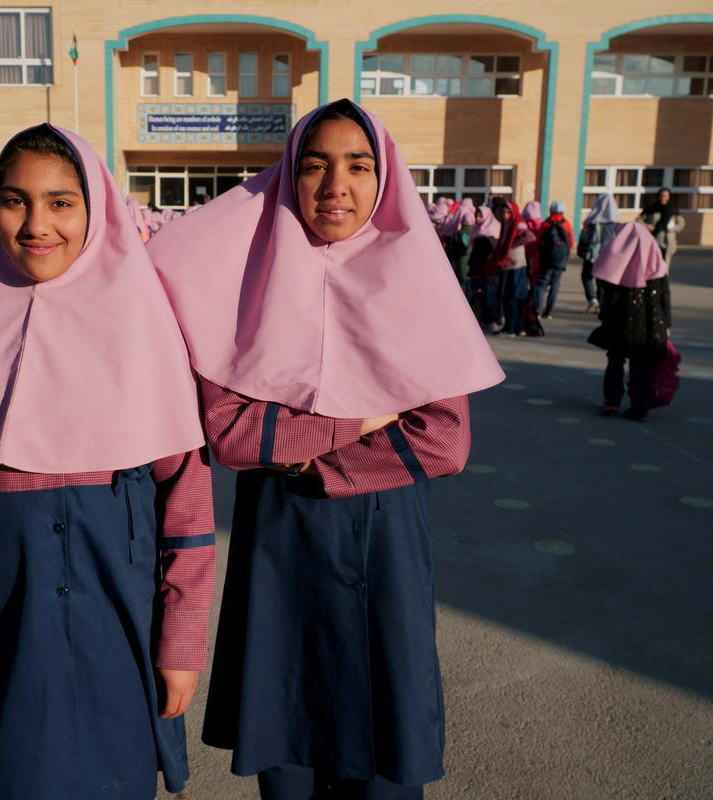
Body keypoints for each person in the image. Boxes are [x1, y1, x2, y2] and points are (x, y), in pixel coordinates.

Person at [148, 99, 505, 800]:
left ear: (385, 179)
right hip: (283, 544)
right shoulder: (244, 284)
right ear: (288, 178)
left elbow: (446, 440)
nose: (334, 184)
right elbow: (232, 434)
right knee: (290, 743)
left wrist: (310, 453)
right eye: (313, 165)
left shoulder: (416, 281)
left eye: (357, 165)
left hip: (387, 549)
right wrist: (372, 416)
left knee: (383, 742)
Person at [0, 123, 214, 799]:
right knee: (11, 772)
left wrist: (181, 646)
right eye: (15, 201)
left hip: (122, 619)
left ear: (95, 210)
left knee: (117, 777)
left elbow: (187, 511)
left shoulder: (145, 325)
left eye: (61, 202)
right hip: (5, 616)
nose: (37, 224)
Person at [587, 222, 672, 422]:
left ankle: (612, 400)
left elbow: (605, 291)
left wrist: (604, 317)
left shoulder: (615, 259)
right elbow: (664, 296)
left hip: (619, 320)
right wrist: (667, 324)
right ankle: (638, 406)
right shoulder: (655, 260)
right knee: (641, 365)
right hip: (649, 323)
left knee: (615, 360)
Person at [488, 199, 534, 337]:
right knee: (508, 297)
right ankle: (515, 327)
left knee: (513, 297)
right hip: (507, 265)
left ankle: (512, 328)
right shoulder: (505, 225)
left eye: (508, 212)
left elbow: (528, 237)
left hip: (516, 266)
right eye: (503, 212)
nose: (506, 215)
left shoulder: (519, 224)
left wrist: (511, 245)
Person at [577, 193, 619, 313]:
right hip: (607, 257)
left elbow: (583, 237)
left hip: (591, 255)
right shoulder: (614, 224)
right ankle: (600, 302)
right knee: (601, 281)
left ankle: (592, 299)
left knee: (586, 277)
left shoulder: (592, 220)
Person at [533, 201, 574, 320]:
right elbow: (570, 242)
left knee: (542, 285)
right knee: (555, 285)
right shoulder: (566, 224)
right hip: (560, 260)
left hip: (546, 259)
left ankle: (538, 310)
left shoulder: (545, 223)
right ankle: (549, 312)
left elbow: (538, 240)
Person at [467, 204, 502, 330]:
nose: (477, 218)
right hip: (477, 271)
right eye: (476, 215)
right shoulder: (477, 231)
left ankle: (490, 320)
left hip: (488, 270)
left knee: (489, 295)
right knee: (478, 296)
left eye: (480, 215)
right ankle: (480, 320)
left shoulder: (492, 231)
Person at [638, 188, 685, 267]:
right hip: (653, 239)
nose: (663, 198)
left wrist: (674, 228)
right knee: (652, 263)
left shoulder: (673, 210)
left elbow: (681, 223)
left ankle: (663, 279)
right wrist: (647, 226)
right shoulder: (651, 208)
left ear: (669, 197)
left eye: (665, 196)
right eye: (661, 196)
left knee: (665, 264)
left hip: (668, 241)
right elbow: (638, 220)